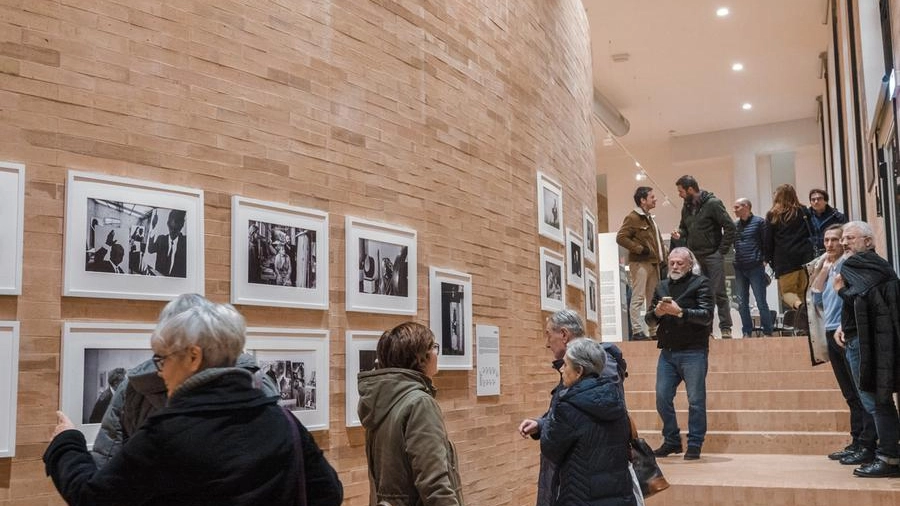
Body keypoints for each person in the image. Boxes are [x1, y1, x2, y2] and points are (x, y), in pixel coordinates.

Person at [44, 301, 344, 506]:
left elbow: (93, 498)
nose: (159, 371)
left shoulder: (169, 435)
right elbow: (329, 492)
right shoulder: (282, 420)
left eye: (161, 359)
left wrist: (66, 443)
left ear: (193, 356)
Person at [517, 310, 640, 506]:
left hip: (589, 478)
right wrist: (542, 423)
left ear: (564, 334)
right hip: (598, 478)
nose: (547, 343)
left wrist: (551, 424)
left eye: (549, 334)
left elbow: (577, 416)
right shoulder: (589, 365)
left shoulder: (594, 366)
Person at [357, 321, 465, 505]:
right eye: (434, 348)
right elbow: (434, 483)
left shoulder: (382, 399)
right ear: (420, 357)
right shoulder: (419, 403)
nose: (437, 354)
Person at [834, 221, 900, 477]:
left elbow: (860, 299)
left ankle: (889, 457)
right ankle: (884, 453)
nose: (844, 243)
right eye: (844, 239)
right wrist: (844, 324)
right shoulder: (879, 266)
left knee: (875, 402)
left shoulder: (854, 265)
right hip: (868, 338)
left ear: (868, 242)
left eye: (850, 238)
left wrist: (840, 290)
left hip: (864, 342)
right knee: (878, 401)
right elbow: (866, 302)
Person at [809, 225, 877, 466]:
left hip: (847, 332)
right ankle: (857, 440)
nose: (830, 244)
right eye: (826, 240)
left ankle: (869, 444)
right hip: (830, 332)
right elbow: (816, 299)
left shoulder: (850, 266)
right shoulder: (829, 266)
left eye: (836, 240)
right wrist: (824, 271)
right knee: (850, 394)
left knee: (862, 393)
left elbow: (849, 298)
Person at [539, 338, 635, 506]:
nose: (561, 369)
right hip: (620, 496)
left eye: (566, 365)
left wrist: (549, 417)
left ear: (579, 371)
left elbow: (550, 448)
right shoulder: (615, 397)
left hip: (580, 497)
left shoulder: (568, 407)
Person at [645, 247, 714, 460]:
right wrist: (656, 313)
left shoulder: (701, 283)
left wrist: (680, 312)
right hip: (667, 352)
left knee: (695, 400)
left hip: (694, 351)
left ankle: (694, 443)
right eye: (672, 262)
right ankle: (672, 441)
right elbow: (648, 319)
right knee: (662, 397)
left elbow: (706, 316)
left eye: (679, 263)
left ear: (690, 264)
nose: (674, 266)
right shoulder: (662, 285)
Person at [671, 175, 735, 338]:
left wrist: (721, 251)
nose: (679, 195)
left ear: (690, 189)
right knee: (701, 295)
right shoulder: (686, 207)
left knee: (719, 292)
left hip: (713, 255)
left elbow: (729, 227)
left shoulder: (713, 204)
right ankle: (706, 330)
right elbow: (684, 227)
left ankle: (725, 328)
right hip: (695, 258)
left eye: (681, 191)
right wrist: (680, 234)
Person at [616, 186, 666, 340]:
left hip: (653, 263)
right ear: (643, 200)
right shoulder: (633, 217)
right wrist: (639, 249)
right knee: (638, 297)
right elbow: (621, 237)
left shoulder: (650, 219)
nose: (655, 199)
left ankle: (653, 331)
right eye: (652, 197)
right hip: (640, 263)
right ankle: (637, 331)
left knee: (652, 299)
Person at [764, 184, 814, 325]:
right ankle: (806, 326)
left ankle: (801, 308)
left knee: (787, 293)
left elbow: (768, 239)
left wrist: (766, 258)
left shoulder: (773, 214)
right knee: (804, 292)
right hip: (805, 258)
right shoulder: (803, 211)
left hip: (785, 260)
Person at [731, 198, 774, 337]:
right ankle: (747, 332)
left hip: (756, 266)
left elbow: (767, 242)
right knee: (742, 303)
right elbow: (733, 244)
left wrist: (765, 259)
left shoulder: (760, 222)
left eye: (737, 207)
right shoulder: (735, 225)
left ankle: (767, 332)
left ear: (746, 207)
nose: (734, 210)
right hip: (740, 267)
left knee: (761, 301)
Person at [146, 209, 187, 278]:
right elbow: (150, 249)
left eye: (176, 229)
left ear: (182, 226)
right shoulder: (161, 239)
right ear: (167, 224)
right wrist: (153, 227)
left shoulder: (186, 243)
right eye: (171, 228)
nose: (173, 231)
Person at [807, 188, 847, 257]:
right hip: (811, 254)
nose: (816, 202)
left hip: (834, 253)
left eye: (819, 199)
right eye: (813, 200)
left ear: (826, 201)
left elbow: (845, 235)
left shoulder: (837, 217)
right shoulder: (806, 218)